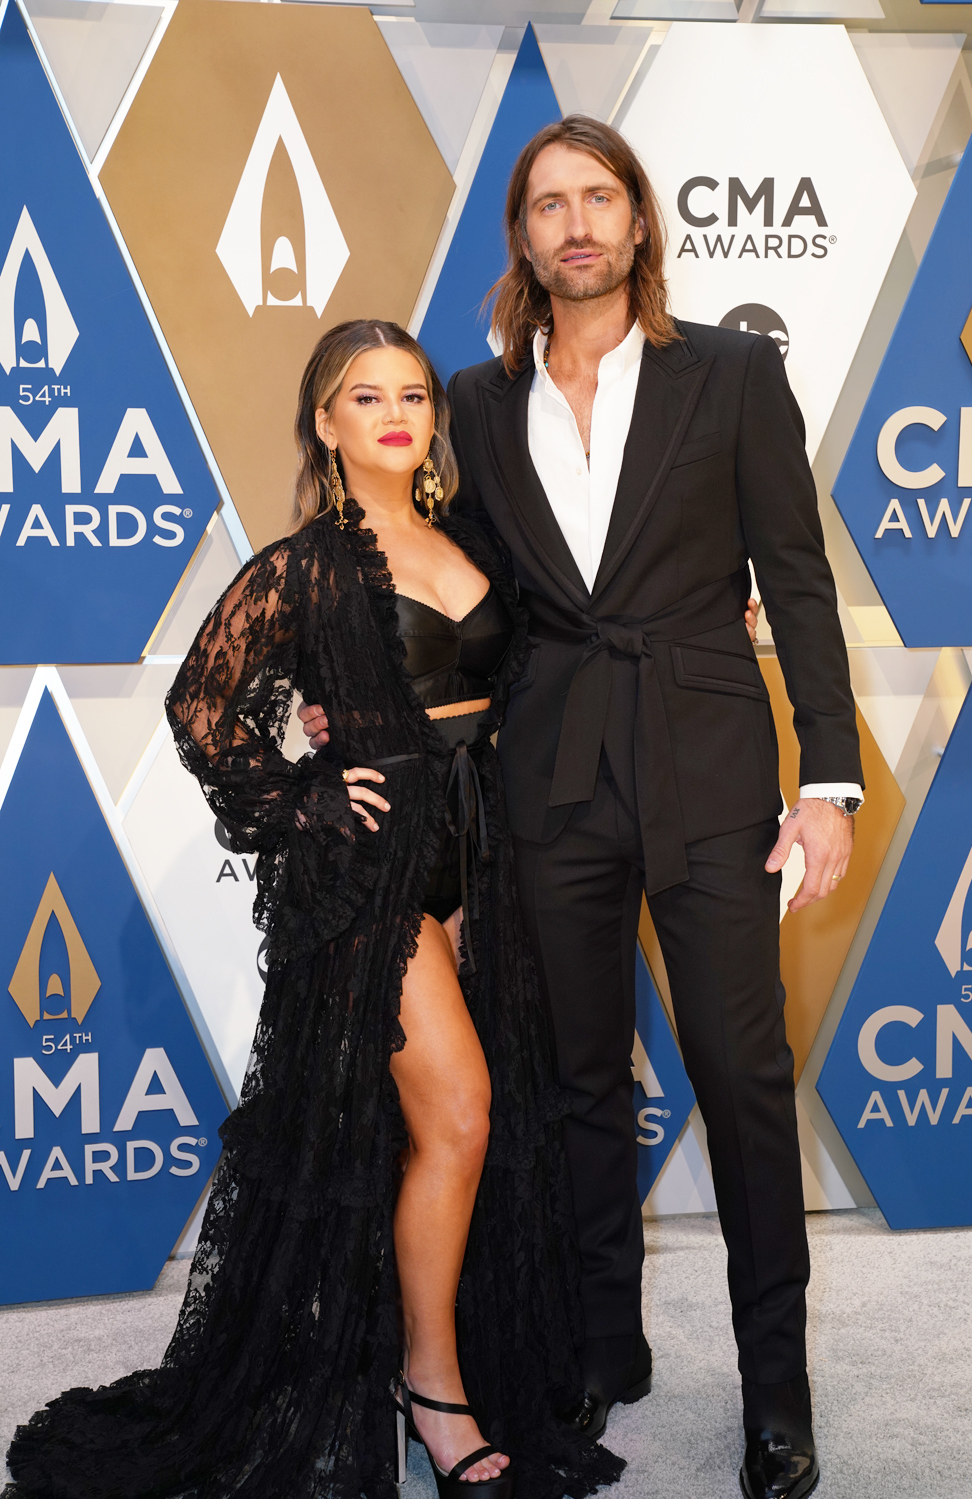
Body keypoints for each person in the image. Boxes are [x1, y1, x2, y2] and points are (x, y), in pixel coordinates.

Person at [300, 116, 863, 1499]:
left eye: (596, 196)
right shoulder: (477, 407)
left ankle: (776, 1391)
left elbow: (795, 580)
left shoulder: (732, 373)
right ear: (524, 237)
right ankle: (606, 1340)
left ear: (637, 219)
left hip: (712, 762)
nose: (575, 223)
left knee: (741, 1078)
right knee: (575, 1081)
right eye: (547, 204)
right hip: (546, 775)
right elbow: (424, 575)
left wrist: (831, 779)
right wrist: (328, 701)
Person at [3, 321, 626, 1499]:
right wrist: (301, 791)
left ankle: (415, 1349)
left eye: (414, 393)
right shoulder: (302, 566)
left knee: (438, 1131)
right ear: (326, 424)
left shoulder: (468, 537)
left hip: (480, 855)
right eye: (366, 395)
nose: (398, 411)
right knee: (459, 1113)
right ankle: (432, 1389)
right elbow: (201, 704)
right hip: (371, 875)